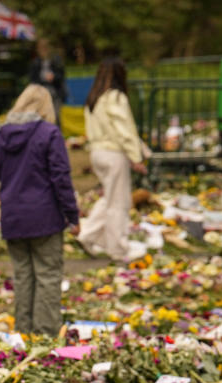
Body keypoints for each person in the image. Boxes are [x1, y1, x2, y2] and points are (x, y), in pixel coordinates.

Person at [0, 85, 78, 336]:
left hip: (13, 216)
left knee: (23, 276)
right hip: (44, 216)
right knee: (48, 275)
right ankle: (45, 335)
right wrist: (72, 215)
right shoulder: (49, 133)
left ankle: (24, 332)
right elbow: (61, 177)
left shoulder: (3, 134)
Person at [78, 57, 147, 262]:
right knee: (119, 202)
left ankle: (87, 234)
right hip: (114, 152)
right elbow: (123, 129)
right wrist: (136, 156)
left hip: (97, 151)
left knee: (110, 198)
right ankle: (118, 248)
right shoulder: (115, 97)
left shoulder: (94, 98)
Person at [28, 38, 67, 120]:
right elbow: (33, 80)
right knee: (41, 117)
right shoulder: (36, 62)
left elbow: (62, 75)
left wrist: (54, 77)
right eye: (42, 47)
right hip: (41, 94)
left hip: (55, 93)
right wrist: (43, 79)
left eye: (45, 47)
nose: (44, 50)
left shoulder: (56, 60)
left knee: (56, 116)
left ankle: (56, 132)